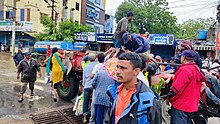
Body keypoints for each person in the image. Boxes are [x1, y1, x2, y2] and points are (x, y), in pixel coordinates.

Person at [104, 52, 162, 124]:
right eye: (117, 67)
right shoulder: (113, 92)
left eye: (123, 68)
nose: (118, 72)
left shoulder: (149, 100)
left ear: (136, 71)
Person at [167, 50, 206, 124]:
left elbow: (176, 89)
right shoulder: (196, 69)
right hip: (191, 106)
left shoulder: (185, 70)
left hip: (181, 105)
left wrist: (169, 98)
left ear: (183, 57)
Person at [82, 53, 98, 123]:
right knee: (94, 102)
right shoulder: (97, 65)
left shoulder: (86, 67)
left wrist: (83, 86)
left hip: (87, 86)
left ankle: (85, 118)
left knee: (86, 101)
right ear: (95, 58)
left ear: (88, 59)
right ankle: (93, 116)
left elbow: (84, 78)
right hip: (94, 86)